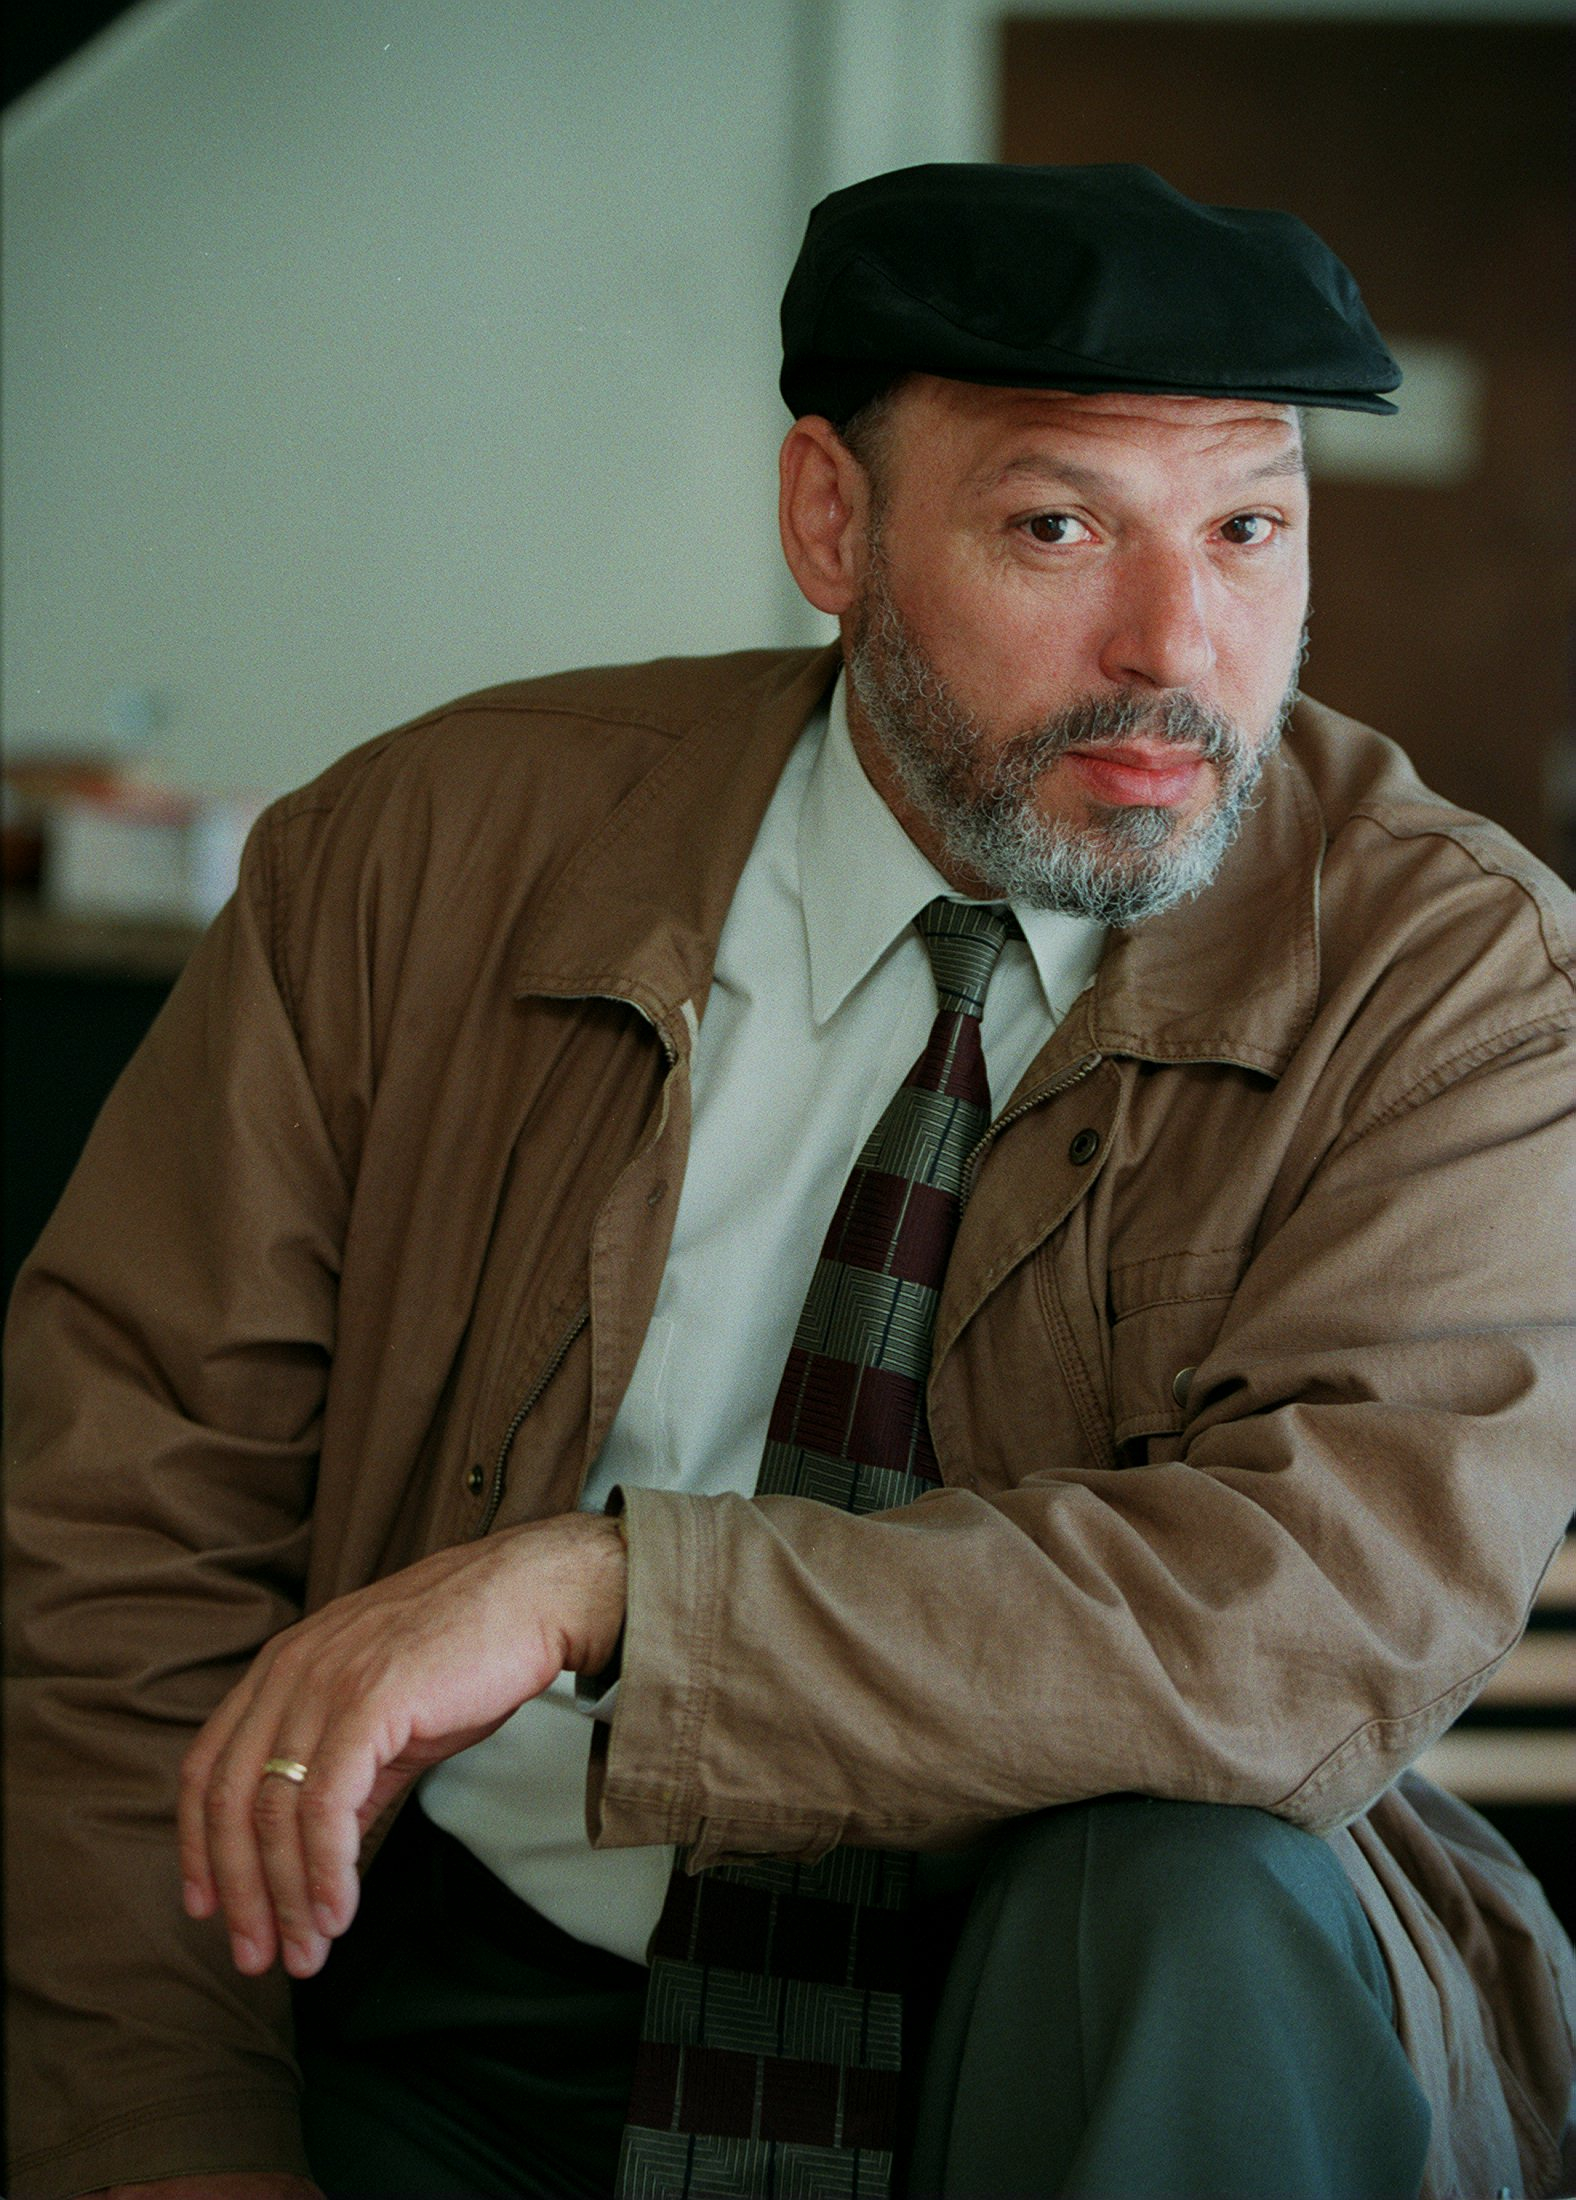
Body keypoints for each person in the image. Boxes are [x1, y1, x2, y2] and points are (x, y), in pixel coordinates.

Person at [5, 162, 1574, 2200]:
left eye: (1246, 527)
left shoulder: (1458, 980)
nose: (1173, 642)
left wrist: (609, 1588)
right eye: (1054, 524)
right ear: (830, 521)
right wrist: (167, 2140)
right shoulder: (414, 858)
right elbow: (114, 1540)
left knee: (1181, 1887)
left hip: (1090, 2024)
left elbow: (1313, 1614)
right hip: (462, 1991)